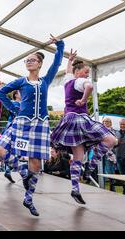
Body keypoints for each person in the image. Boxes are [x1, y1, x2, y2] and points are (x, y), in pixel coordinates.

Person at [0, 34, 64, 216]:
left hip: (41, 125)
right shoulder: (21, 81)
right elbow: (1, 92)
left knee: (36, 163)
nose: (29, 62)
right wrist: (13, 109)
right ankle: (23, 171)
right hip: (21, 123)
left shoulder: (45, 80)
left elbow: (56, 64)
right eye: (27, 60)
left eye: (32, 60)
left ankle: (29, 198)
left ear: (40, 64)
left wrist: (60, 45)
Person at [50, 49, 117, 204]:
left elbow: (68, 72)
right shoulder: (80, 81)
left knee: (78, 157)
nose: (87, 74)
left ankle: (75, 188)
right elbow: (90, 87)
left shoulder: (68, 81)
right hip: (80, 119)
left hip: (69, 121)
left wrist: (69, 60)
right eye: (86, 71)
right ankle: (91, 165)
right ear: (78, 72)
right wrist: (83, 99)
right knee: (111, 140)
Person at [2, 90, 21, 183]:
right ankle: (7, 170)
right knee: (10, 150)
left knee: (18, 151)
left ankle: (8, 170)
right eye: (20, 92)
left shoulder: (21, 103)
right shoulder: (13, 103)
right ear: (16, 95)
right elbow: (16, 113)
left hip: (20, 128)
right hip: (13, 127)